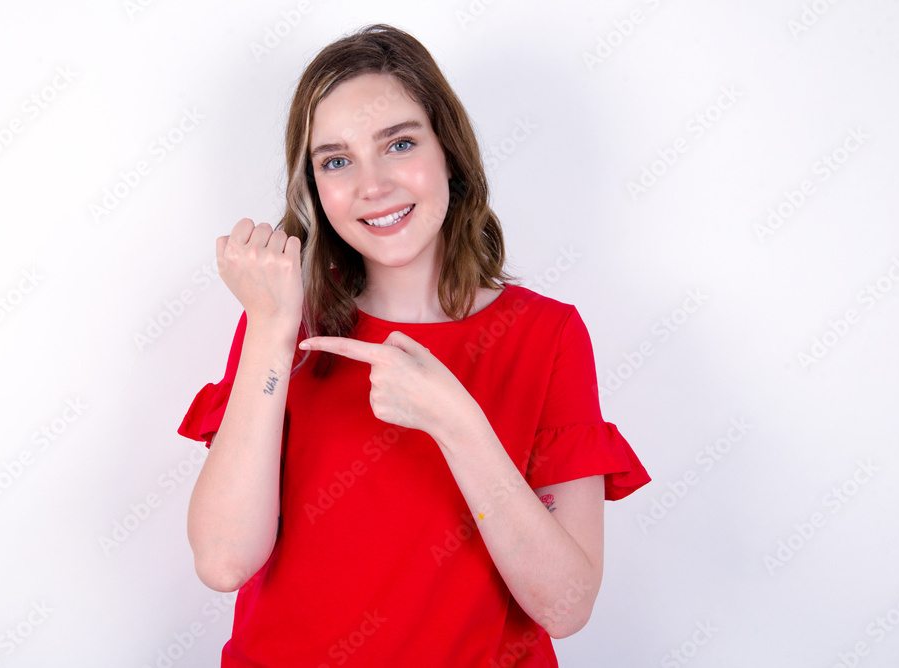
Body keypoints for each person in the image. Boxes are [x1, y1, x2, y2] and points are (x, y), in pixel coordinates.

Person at [178, 23, 650, 667]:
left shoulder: (548, 335)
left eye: (398, 143)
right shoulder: (282, 327)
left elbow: (565, 607)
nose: (373, 185)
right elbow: (224, 561)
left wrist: (457, 424)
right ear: (314, 188)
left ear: (448, 153)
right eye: (336, 160)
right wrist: (269, 330)